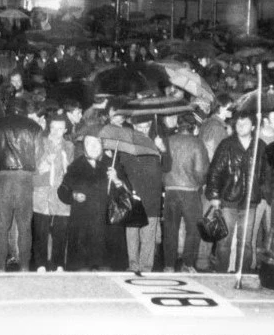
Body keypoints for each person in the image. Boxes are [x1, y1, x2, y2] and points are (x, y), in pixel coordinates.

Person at [204, 111, 270, 273]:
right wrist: (214, 196)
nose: (240, 127)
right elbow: (215, 171)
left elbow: (266, 173)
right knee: (224, 241)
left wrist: (262, 193)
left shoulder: (260, 146)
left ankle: (243, 273)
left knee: (246, 242)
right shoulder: (227, 144)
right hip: (228, 199)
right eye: (238, 124)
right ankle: (221, 272)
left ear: (253, 126)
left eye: (245, 124)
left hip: (250, 201)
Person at [57, 133, 130, 271]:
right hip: (83, 229)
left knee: (107, 272)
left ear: (102, 145)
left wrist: (116, 179)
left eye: (96, 143)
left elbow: (127, 193)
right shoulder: (76, 166)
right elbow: (62, 191)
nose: (93, 147)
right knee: (82, 274)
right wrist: (74, 195)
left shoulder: (113, 164)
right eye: (89, 143)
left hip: (108, 230)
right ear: (84, 147)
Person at [0, 99, 42, 271]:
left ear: (7, 109)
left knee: (1, 226)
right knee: (25, 227)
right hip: (25, 181)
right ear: (25, 110)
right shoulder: (34, 127)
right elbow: (38, 153)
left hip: (3, 180)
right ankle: (25, 267)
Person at [118, 117, 170, 274]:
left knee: (148, 235)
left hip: (152, 195)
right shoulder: (128, 145)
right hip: (134, 194)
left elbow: (167, 167)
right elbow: (122, 169)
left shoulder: (156, 143)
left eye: (146, 125)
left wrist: (163, 150)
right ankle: (133, 266)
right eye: (140, 126)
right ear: (134, 126)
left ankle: (146, 267)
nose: (143, 129)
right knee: (132, 233)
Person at [163, 116, 210, 272]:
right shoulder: (197, 143)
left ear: (178, 125)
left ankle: (169, 265)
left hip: (170, 191)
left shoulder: (168, 140)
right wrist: (199, 183)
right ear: (194, 127)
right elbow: (200, 171)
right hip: (190, 192)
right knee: (193, 230)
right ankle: (187, 264)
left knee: (170, 229)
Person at [32, 114, 73, 272]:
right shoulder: (40, 142)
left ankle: (59, 264)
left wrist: (65, 163)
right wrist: (45, 163)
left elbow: (71, 171)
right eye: (54, 127)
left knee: (61, 230)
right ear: (49, 128)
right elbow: (32, 168)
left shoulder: (69, 146)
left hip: (61, 192)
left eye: (60, 128)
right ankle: (40, 263)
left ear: (65, 130)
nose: (57, 131)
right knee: (41, 229)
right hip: (42, 191)